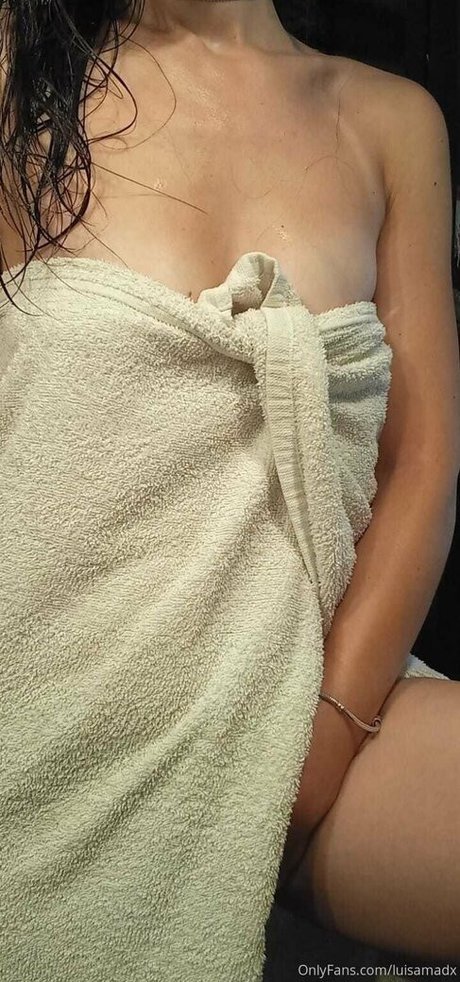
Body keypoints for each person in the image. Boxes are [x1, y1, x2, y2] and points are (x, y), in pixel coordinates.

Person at [0, 1, 459, 979]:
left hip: (300, 675)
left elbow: (421, 464)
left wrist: (322, 738)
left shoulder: (392, 122)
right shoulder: (21, 75)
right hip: (54, 681)